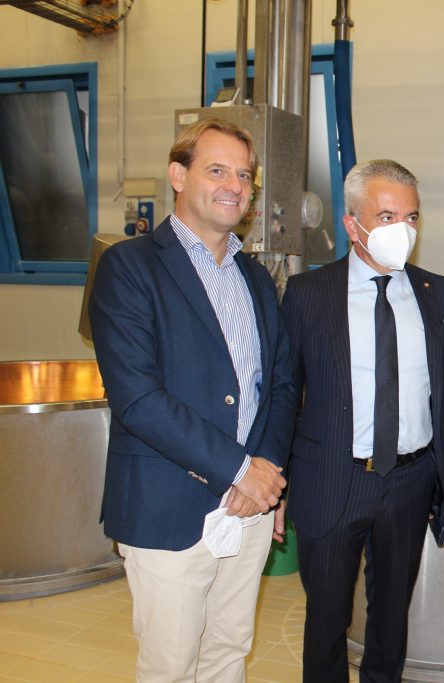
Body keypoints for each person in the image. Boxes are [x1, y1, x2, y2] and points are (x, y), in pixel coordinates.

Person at [89, 118, 296, 682]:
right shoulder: (129, 267)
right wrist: (241, 471)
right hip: (168, 504)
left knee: (228, 651)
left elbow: (279, 384)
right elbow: (138, 398)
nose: (234, 186)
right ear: (178, 176)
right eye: (217, 171)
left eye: (245, 176)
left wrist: (267, 471)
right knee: (171, 665)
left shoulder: (257, 278)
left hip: (248, 508)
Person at [281, 159, 444, 682]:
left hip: (410, 481)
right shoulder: (308, 295)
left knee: (390, 619)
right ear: (352, 224)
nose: (403, 230)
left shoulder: (437, 293)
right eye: (386, 217)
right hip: (333, 479)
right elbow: (284, 394)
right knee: (326, 619)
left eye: (411, 217)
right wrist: (278, 482)